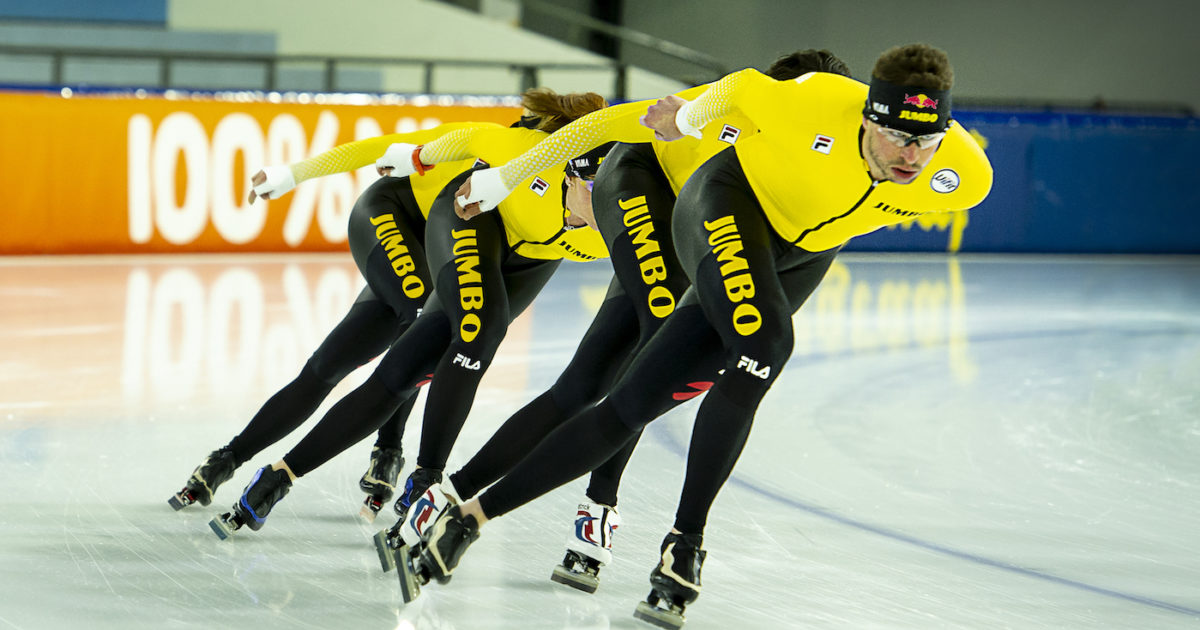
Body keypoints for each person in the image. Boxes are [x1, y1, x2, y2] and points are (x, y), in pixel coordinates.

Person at [410, 43, 993, 628]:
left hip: (796, 250)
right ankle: (631, 519)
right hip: (707, 199)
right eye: (897, 136)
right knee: (757, 343)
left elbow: (889, 179)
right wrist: (515, 173)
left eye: (925, 141)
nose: (911, 156)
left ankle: (471, 517)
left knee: (640, 394)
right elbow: (683, 101)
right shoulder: (801, 103)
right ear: (865, 115)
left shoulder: (963, 175)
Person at [378, 49, 851, 595]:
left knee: (585, 385)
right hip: (641, 183)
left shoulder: (839, 162)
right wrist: (508, 175)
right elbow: (604, 124)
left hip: (700, 230)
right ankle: (599, 506)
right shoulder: (737, 107)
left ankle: (452, 495)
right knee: (651, 349)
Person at [166, 89, 599, 523]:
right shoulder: (506, 145)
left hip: (473, 250)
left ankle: (227, 458)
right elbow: (382, 147)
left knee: (341, 360)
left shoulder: (593, 213)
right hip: (396, 214)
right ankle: (387, 448)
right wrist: (295, 172)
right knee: (413, 319)